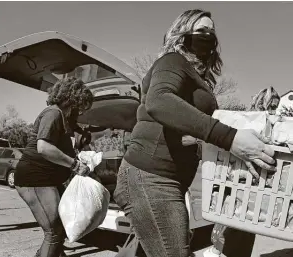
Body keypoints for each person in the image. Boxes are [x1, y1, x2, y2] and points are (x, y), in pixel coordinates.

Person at [113, 9, 276, 257]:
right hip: (150, 177)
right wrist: (230, 138)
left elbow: (186, 127)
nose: (208, 36)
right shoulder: (171, 61)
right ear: (181, 33)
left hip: (171, 180)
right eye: (201, 31)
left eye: (211, 32)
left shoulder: (197, 79)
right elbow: (159, 102)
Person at [14, 77, 94, 257]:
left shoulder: (65, 118)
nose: (81, 112)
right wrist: (74, 165)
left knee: (62, 227)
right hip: (34, 178)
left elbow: (73, 139)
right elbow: (44, 147)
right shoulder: (53, 113)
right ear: (73, 100)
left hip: (48, 179)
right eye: (81, 106)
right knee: (54, 232)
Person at [209, 86, 281, 257]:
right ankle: (217, 251)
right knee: (234, 228)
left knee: (245, 229)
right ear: (262, 104)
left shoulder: (271, 123)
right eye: (272, 106)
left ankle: (219, 251)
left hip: (252, 185)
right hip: (238, 182)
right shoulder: (250, 122)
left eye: (276, 106)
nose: (274, 110)